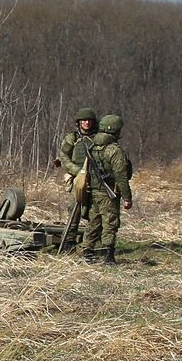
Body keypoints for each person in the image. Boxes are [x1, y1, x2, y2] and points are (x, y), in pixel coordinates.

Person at [84, 114, 134, 264]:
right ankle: (109, 255)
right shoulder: (114, 150)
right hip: (108, 192)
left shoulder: (93, 147)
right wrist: (127, 198)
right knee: (110, 222)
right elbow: (121, 176)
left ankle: (87, 250)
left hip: (94, 191)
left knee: (94, 221)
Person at [55, 107, 98, 249]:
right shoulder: (72, 138)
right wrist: (77, 171)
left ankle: (89, 243)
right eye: (84, 120)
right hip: (77, 179)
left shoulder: (98, 138)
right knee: (74, 211)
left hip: (95, 179)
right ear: (79, 122)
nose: (87, 123)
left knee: (94, 212)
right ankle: (68, 242)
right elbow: (63, 157)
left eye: (89, 120)